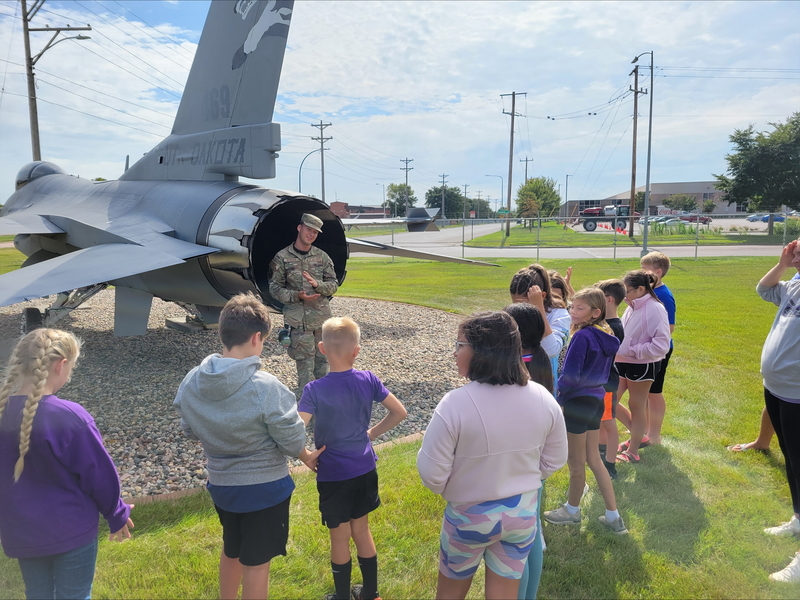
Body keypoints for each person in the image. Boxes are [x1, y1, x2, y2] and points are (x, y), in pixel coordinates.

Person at [173, 293, 323, 600]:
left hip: (222, 487)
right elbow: (292, 438)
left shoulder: (191, 381)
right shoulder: (266, 388)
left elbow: (189, 427)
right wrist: (306, 455)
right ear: (257, 338)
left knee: (232, 549)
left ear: (223, 333)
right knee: (256, 565)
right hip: (264, 490)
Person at [418, 311, 567, 600]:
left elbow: (431, 473)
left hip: (468, 517)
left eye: (460, 344)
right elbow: (555, 459)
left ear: (481, 350)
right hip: (522, 516)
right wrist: (522, 479)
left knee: (450, 594)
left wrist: (461, 489)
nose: (454, 352)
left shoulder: (454, 404)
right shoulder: (543, 397)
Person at [0, 329, 134, 600]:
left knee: (37, 595)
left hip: (22, 533)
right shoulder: (70, 417)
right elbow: (99, 475)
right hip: (72, 532)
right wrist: (116, 514)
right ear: (61, 366)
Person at [297, 317, 407, 600]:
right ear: (356, 350)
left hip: (334, 474)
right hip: (365, 468)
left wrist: (306, 456)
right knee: (362, 529)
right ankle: (370, 593)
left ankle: (343, 596)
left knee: (339, 536)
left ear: (321, 348)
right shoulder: (368, 379)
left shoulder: (314, 390)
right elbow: (399, 412)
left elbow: (293, 429)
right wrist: (370, 434)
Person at [542, 288, 626, 534]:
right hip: (596, 401)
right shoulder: (605, 333)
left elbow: (570, 375)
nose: (573, 312)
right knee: (594, 460)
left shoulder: (581, 336)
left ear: (595, 312)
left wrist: (560, 397)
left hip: (578, 403)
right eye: (572, 307)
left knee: (576, 463)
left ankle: (571, 510)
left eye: (580, 308)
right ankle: (613, 516)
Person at [756, 239, 800, 583]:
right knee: (792, 460)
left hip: (798, 393)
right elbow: (763, 288)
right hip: (778, 389)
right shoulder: (794, 284)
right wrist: (784, 264)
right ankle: (798, 518)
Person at [502, 303, 552, 600]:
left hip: (516, 465)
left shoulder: (514, 368)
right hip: (536, 463)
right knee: (531, 533)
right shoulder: (542, 361)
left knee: (517, 543)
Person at [727, 272, 800, 455]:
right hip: (778, 379)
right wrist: (783, 264)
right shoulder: (795, 283)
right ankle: (762, 442)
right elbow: (767, 291)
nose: (796, 259)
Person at [269, 213, 339, 392]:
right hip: (298, 323)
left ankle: (323, 404)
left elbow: (333, 285)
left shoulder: (322, 257)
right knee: (305, 369)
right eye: (309, 229)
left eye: (315, 232)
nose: (311, 234)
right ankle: (308, 412)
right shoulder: (282, 257)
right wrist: (296, 296)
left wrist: (318, 285)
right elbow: (274, 288)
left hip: (321, 322)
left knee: (323, 365)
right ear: (299, 228)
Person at [614, 271, 671, 464]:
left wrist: (631, 350)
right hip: (622, 362)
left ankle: (633, 450)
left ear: (641, 289)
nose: (623, 296)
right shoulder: (631, 306)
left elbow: (661, 345)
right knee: (610, 400)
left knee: (636, 406)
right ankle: (640, 436)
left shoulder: (655, 308)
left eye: (626, 291)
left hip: (641, 365)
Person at [509, 265, 571, 390]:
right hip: (516, 381)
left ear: (542, 296)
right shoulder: (511, 313)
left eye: (524, 304)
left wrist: (538, 309)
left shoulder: (560, 315)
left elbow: (551, 350)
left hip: (544, 384)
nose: (518, 308)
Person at [639, 251, 677, 445]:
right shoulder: (647, 291)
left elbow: (669, 328)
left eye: (644, 269)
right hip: (646, 351)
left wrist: (652, 345)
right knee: (643, 392)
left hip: (658, 352)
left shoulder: (663, 295)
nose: (641, 272)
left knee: (654, 392)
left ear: (658, 272)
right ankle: (644, 430)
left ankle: (654, 435)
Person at [595, 279, 626, 479]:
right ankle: (601, 451)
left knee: (609, 423)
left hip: (606, 383)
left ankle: (610, 465)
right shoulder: (607, 324)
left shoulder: (613, 327)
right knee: (601, 421)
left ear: (608, 300)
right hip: (600, 382)